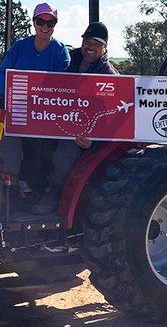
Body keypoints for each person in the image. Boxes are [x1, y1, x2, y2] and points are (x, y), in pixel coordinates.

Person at [32, 21, 119, 213]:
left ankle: (53, 192)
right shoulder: (67, 60)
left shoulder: (109, 76)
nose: (91, 47)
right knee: (30, 141)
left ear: (105, 48)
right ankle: (26, 188)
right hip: (56, 120)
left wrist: (94, 140)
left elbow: (114, 118)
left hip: (81, 132)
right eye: (88, 42)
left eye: (97, 44)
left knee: (66, 153)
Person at [0, 2, 70, 187]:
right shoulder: (19, 47)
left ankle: (44, 187)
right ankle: (10, 185)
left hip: (47, 114)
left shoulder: (60, 51)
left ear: (55, 25)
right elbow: (3, 73)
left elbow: (62, 83)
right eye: (41, 21)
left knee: (48, 150)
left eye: (50, 23)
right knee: (4, 139)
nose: (45, 27)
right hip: (17, 109)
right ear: (34, 22)